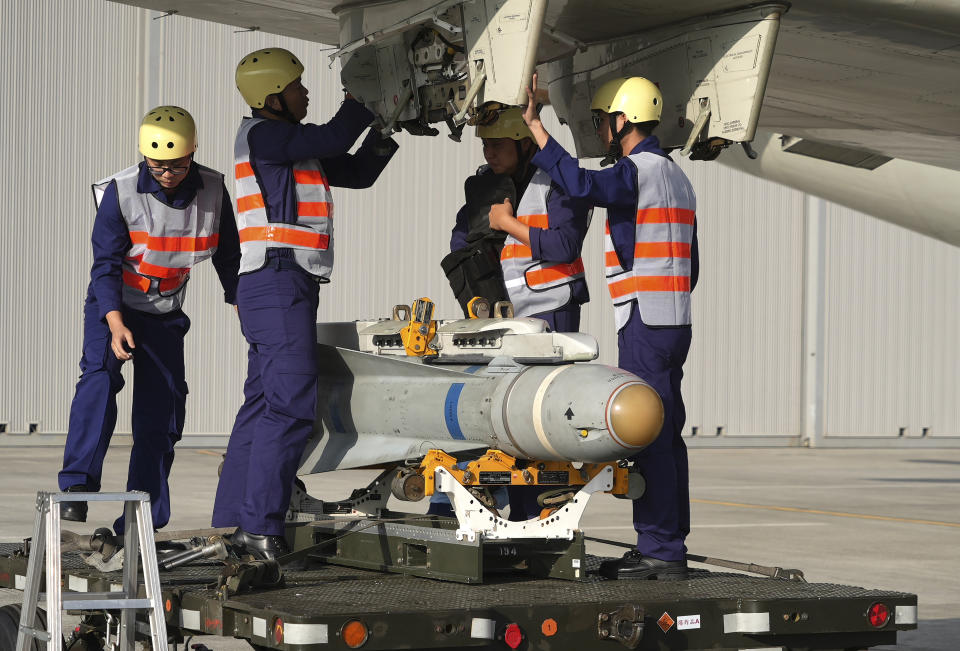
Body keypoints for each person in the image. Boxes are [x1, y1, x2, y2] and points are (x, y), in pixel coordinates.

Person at [211, 48, 398, 560]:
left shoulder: (290, 145)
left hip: (282, 284)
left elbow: (357, 171)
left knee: (262, 405)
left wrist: (386, 130)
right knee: (290, 407)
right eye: (298, 86)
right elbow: (336, 135)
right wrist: (361, 100)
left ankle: (233, 521)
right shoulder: (267, 136)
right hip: (277, 282)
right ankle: (258, 528)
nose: (307, 94)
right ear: (272, 96)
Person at [520, 75, 699, 579]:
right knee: (668, 433)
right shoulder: (676, 176)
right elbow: (692, 262)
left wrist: (535, 126)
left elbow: (580, 184)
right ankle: (668, 543)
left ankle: (661, 550)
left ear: (623, 120)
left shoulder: (637, 170)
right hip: (673, 318)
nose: (600, 128)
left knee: (649, 434)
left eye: (603, 120)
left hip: (644, 318)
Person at [58, 106, 240, 535]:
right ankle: (77, 489)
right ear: (144, 156)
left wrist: (240, 302)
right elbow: (104, 265)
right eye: (158, 164)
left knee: (162, 412)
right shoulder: (120, 192)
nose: (168, 172)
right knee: (99, 381)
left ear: (193, 153)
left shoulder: (213, 189)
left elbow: (229, 256)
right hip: (113, 307)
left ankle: (143, 517)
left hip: (164, 315)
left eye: (177, 164)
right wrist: (116, 323)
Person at [431, 108, 591, 521]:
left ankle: (532, 518)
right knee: (498, 417)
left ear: (523, 144)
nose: (489, 152)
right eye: (485, 144)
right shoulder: (486, 185)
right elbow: (461, 241)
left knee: (538, 423)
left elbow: (563, 247)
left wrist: (506, 223)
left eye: (497, 144)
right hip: (503, 319)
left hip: (551, 314)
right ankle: (495, 513)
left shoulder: (558, 181)